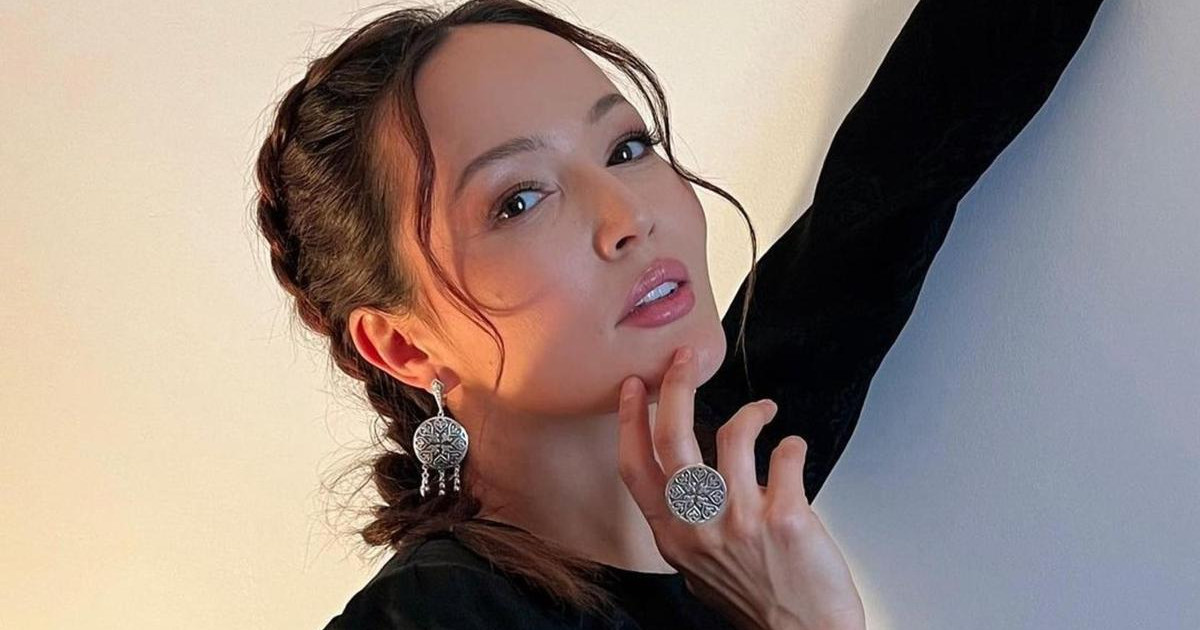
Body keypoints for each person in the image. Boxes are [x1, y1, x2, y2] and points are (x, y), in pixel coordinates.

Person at [252, 0, 1105, 627]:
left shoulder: (731, 470)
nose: (630, 214)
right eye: (519, 200)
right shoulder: (431, 618)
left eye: (626, 148)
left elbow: (916, 150)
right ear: (403, 346)